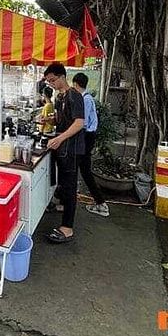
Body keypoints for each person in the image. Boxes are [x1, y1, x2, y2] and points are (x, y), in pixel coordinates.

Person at [43, 63, 84, 244]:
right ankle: (62, 205)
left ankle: (67, 228)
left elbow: (79, 123)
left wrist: (60, 139)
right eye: (48, 81)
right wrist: (50, 119)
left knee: (69, 186)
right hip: (62, 147)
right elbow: (62, 118)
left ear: (62, 77)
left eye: (52, 80)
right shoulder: (60, 97)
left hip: (72, 148)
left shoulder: (74, 95)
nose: (50, 84)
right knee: (63, 183)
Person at [72, 73, 108, 217]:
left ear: (76, 84)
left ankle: (101, 204)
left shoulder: (85, 100)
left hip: (86, 137)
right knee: (81, 169)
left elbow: (82, 123)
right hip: (87, 136)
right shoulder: (87, 98)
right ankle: (98, 202)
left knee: (84, 170)